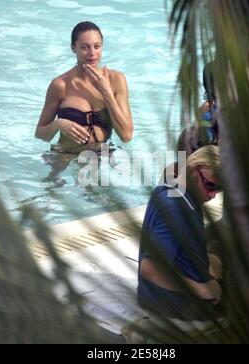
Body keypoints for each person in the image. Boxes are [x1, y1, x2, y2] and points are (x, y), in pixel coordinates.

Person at [35, 21, 133, 181]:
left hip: (104, 153)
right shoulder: (60, 85)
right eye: (85, 47)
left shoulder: (116, 80)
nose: (92, 53)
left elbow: (126, 135)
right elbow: (40, 134)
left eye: (97, 46)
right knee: (50, 196)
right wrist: (57, 125)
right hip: (65, 155)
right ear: (73, 48)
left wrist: (106, 92)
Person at [138, 145, 223, 320]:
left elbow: (172, 168)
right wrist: (203, 290)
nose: (213, 195)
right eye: (209, 185)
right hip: (183, 304)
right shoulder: (177, 211)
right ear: (193, 170)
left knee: (218, 250)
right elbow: (149, 268)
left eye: (219, 188)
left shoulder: (170, 185)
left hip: (152, 294)